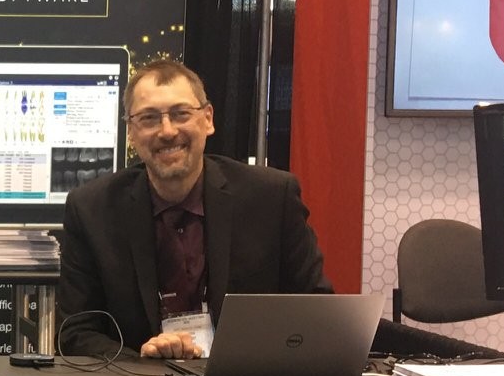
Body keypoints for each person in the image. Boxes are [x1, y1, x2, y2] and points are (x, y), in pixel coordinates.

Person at [57, 59, 330, 360]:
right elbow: (76, 332)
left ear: (208, 119)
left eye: (181, 114)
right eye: (149, 118)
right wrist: (145, 363)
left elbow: (317, 311)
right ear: (131, 132)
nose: (167, 131)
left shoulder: (272, 198)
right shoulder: (91, 210)